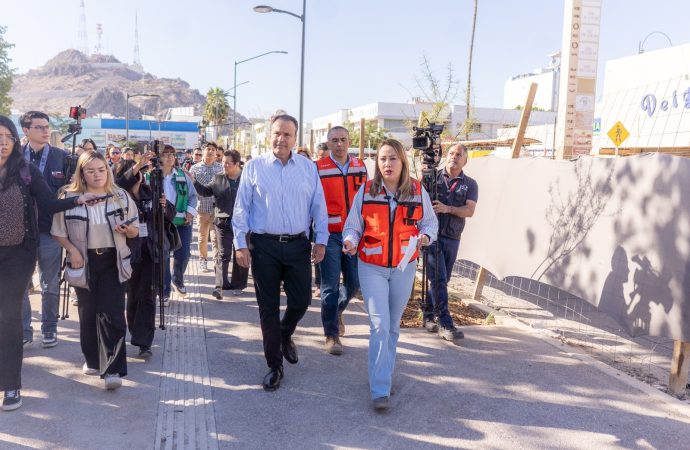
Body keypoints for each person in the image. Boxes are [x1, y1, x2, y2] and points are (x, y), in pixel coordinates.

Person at [0, 116, 98, 411]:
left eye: (7, 136)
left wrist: (78, 200)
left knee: (8, 316)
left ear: (16, 140)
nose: (2, 142)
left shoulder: (26, 171)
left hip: (18, 254)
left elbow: (49, 203)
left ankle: (12, 385)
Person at [233, 114, 328, 392]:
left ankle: (285, 334)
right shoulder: (254, 167)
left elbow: (318, 208)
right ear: (269, 135)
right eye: (277, 133)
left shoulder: (308, 168)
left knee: (301, 301)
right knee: (268, 308)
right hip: (265, 247)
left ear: (295, 138)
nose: (281, 139)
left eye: (287, 134)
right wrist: (240, 244)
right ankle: (275, 365)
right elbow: (241, 209)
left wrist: (321, 240)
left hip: (299, 245)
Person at [343, 138, 438, 411]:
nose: (387, 164)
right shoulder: (366, 191)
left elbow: (430, 223)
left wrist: (425, 237)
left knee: (393, 326)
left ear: (402, 162)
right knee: (379, 325)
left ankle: (383, 372)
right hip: (371, 266)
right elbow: (353, 226)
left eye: (392, 158)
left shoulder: (418, 191)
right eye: (382, 159)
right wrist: (350, 240)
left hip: (403, 267)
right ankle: (380, 389)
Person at [51, 150, 139, 390]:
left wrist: (128, 230)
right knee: (88, 312)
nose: (97, 174)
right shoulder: (68, 196)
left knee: (112, 312)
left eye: (102, 169)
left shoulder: (120, 195)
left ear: (108, 170)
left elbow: (136, 229)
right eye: (91, 170)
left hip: (113, 260)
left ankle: (113, 370)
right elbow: (58, 231)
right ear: (82, 173)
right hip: (83, 261)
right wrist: (73, 251)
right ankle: (92, 358)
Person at [316, 126, 368, 355]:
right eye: (334, 140)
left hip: (355, 233)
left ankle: (336, 310)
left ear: (349, 141)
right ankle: (331, 335)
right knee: (329, 285)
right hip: (329, 233)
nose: (339, 144)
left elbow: (367, 198)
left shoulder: (360, 166)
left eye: (343, 140)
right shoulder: (318, 168)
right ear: (328, 143)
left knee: (354, 282)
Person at [19, 111, 69, 348]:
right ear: (26, 130)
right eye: (39, 127)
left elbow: (71, 190)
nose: (45, 131)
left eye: (47, 126)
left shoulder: (62, 157)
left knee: (49, 284)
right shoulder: (13, 157)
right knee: (20, 284)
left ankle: (50, 328)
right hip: (19, 233)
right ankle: (24, 331)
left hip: (50, 231)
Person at [115, 156, 173, 359]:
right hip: (129, 251)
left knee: (148, 295)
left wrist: (165, 206)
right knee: (132, 296)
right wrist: (138, 165)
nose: (137, 175)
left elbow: (170, 216)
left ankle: (144, 342)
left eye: (139, 171)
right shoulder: (118, 195)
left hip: (151, 250)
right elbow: (120, 183)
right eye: (132, 171)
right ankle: (135, 330)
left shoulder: (151, 192)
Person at [422, 143, 478, 341]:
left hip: (453, 237)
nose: (454, 156)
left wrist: (448, 208)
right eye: (452, 153)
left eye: (459, 154)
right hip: (432, 236)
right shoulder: (432, 177)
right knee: (438, 278)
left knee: (442, 280)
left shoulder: (470, 184)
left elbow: (469, 211)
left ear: (465, 160)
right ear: (446, 156)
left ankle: (428, 314)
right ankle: (444, 322)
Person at [193, 149, 248, 299]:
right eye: (223, 162)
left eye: (228, 163)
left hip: (243, 223)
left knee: (241, 253)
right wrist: (194, 181)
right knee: (223, 254)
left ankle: (239, 284)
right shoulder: (218, 178)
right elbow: (205, 192)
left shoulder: (247, 178)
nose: (224, 165)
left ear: (237, 164)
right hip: (223, 222)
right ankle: (220, 285)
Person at [161, 145, 198, 300]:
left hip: (182, 222)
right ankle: (164, 290)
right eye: (165, 154)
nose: (169, 157)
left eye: (172, 154)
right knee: (163, 257)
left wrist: (190, 212)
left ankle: (178, 279)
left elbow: (193, 196)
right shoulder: (151, 176)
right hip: (161, 222)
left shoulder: (182, 175)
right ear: (159, 157)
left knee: (183, 255)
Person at [190, 142, 223, 272]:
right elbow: (192, 190)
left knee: (216, 238)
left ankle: (216, 262)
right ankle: (202, 260)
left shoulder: (221, 168)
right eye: (208, 149)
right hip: (201, 208)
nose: (210, 151)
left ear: (216, 153)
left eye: (213, 150)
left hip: (217, 208)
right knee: (202, 237)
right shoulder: (195, 168)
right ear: (203, 151)